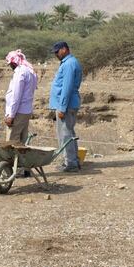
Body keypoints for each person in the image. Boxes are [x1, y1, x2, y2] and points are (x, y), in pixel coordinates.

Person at [49, 41, 83, 172]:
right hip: (69, 103)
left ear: (64, 49)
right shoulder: (70, 62)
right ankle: (73, 161)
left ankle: (71, 164)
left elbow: (67, 88)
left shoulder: (69, 64)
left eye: (57, 52)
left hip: (66, 105)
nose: (56, 54)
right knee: (69, 132)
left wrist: (62, 108)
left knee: (65, 135)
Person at [4, 49, 38, 145]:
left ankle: (12, 160)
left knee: (12, 142)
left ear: (14, 63)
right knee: (22, 142)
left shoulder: (20, 72)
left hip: (18, 112)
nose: (10, 66)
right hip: (25, 111)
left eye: (10, 64)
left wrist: (11, 115)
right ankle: (21, 160)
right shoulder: (29, 71)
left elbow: (16, 96)